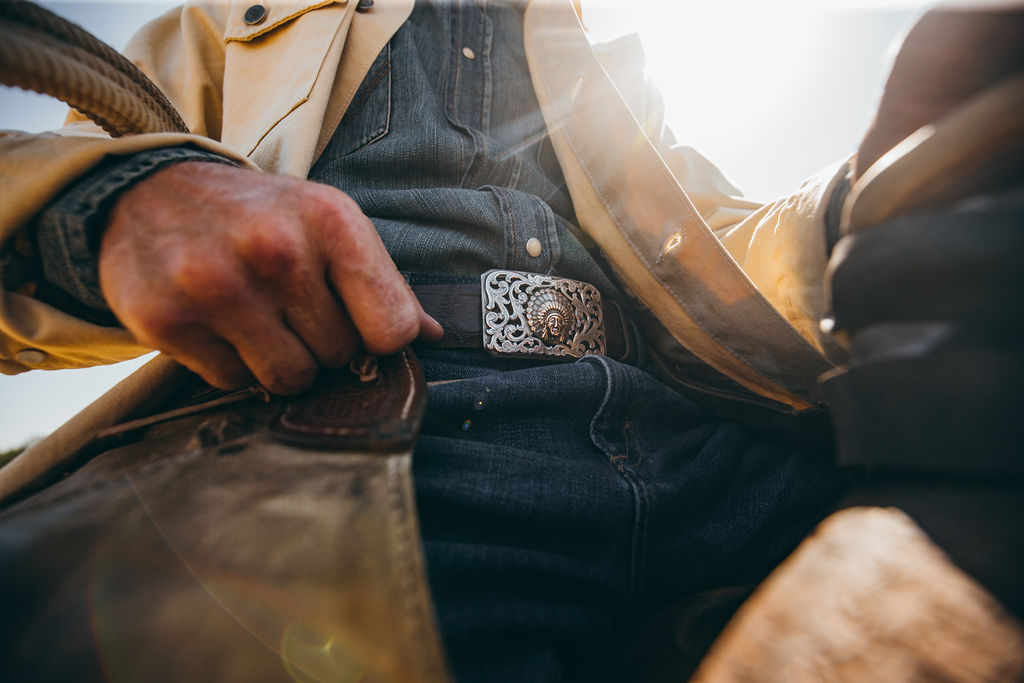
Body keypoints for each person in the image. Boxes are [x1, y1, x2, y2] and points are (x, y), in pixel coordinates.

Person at [0, 0, 1021, 680]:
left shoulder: (599, 63)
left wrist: (862, 195)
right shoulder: (226, 26)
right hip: (371, 446)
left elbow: (715, 252)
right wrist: (104, 204)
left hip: (689, 435)